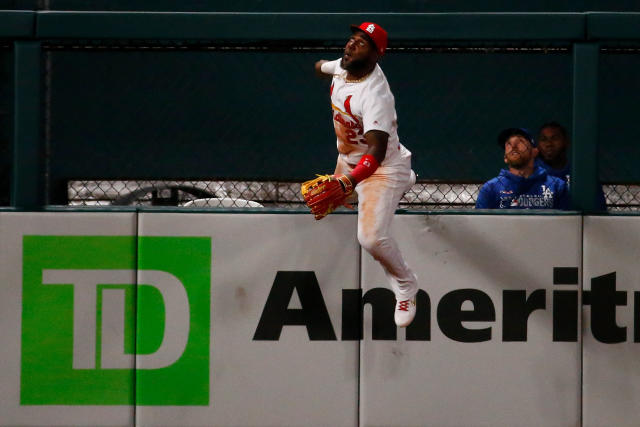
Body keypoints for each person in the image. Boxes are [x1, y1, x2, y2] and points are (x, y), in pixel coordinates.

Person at [314, 22, 418, 327]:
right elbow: (320, 66)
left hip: (381, 167)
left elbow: (374, 154)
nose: (351, 45)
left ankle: (406, 284)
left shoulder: (376, 96)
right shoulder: (344, 66)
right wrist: (321, 66)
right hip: (348, 158)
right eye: (352, 39)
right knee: (324, 205)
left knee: (371, 238)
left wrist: (348, 181)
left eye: (362, 43)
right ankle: (404, 182)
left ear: (376, 55)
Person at [475, 127, 569, 209]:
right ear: (505, 158)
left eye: (520, 141)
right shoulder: (491, 188)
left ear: (534, 152)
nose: (513, 146)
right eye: (508, 144)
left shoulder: (557, 186)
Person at [536, 121, 607, 211]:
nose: (549, 144)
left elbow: (599, 209)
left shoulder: (582, 174)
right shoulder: (531, 173)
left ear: (566, 142)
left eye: (555, 138)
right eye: (543, 139)